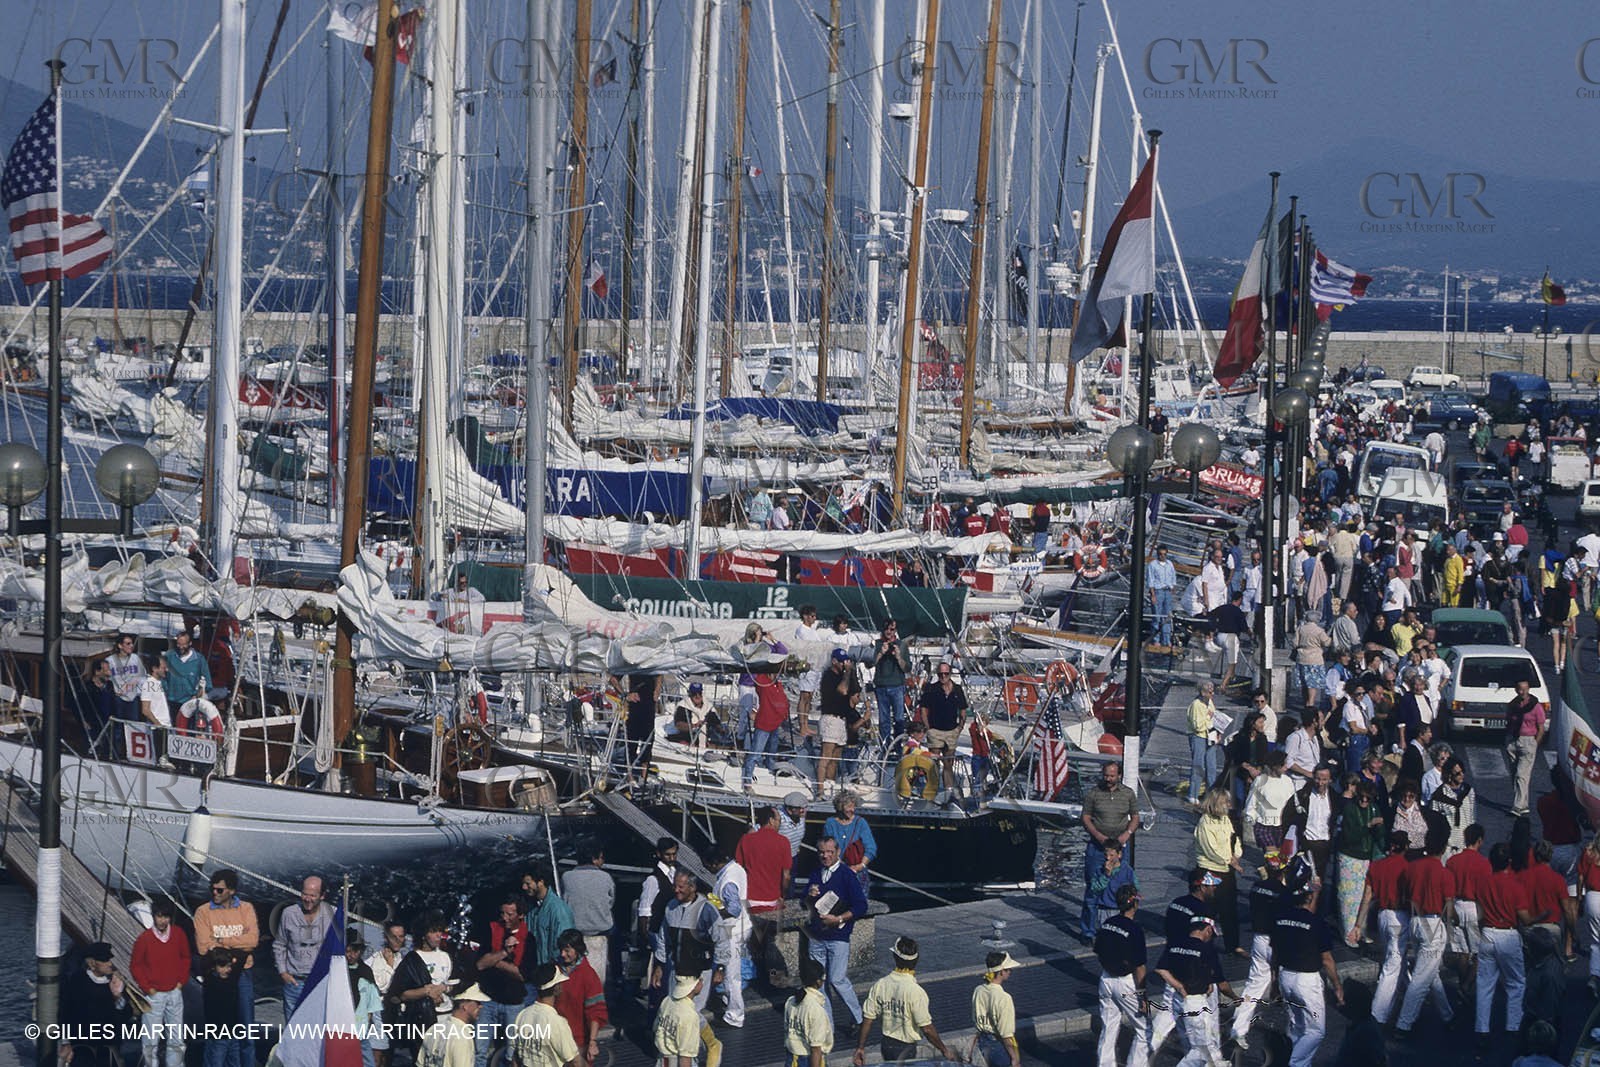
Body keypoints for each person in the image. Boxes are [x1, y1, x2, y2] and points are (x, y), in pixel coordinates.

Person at [1273, 854, 1345, 1067]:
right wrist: (1337, 986)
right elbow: (1327, 959)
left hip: (1285, 977)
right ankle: (1294, 1063)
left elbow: (1274, 954)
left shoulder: (1280, 919)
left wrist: (1275, 980)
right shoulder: (1316, 923)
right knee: (1315, 1031)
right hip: (1307, 982)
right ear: (1309, 897)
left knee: (1296, 1027)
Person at [1396, 815, 1456, 1036]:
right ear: (1443, 847)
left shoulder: (1411, 868)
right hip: (1433, 923)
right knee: (1421, 979)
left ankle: (1448, 1015)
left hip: (1414, 922)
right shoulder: (1444, 873)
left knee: (1431, 973)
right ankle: (1404, 1023)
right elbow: (1448, 909)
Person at [193, 868, 260, 1064]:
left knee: (246, 1030)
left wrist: (221, 940)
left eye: (220, 890)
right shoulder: (203, 912)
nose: (215, 893)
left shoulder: (246, 909)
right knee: (217, 1031)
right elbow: (204, 947)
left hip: (243, 974)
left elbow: (253, 941)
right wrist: (239, 945)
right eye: (212, 889)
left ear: (231, 891)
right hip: (217, 976)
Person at [1152, 915, 1238, 1066]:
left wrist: (1178, 986)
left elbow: (1161, 969)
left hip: (1178, 999)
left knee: (1196, 1045)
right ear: (1207, 929)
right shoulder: (1206, 950)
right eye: (1211, 933)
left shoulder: (1175, 944)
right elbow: (1222, 985)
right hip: (1196, 1002)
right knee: (1203, 1049)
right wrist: (1235, 998)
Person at [853, 937, 950, 1064]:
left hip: (886, 1045)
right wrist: (944, 1049)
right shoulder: (916, 992)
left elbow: (868, 1018)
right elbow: (927, 1029)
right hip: (906, 1049)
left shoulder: (881, 984)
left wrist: (860, 1047)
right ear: (916, 960)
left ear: (894, 957)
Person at [807, 836, 868, 1036]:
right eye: (822, 852)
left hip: (838, 936)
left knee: (837, 979)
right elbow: (805, 902)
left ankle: (859, 1018)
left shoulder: (846, 875)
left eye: (829, 852)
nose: (825, 855)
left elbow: (861, 905)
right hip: (816, 936)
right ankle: (828, 1026)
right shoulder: (816, 872)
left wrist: (839, 918)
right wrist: (809, 893)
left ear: (838, 852)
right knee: (820, 981)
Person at [1350, 831, 1412, 1023]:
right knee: (1392, 966)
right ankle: (1378, 1014)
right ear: (1406, 847)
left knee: (1394, 957)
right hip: (1399, 917)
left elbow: (1367, 897)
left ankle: (1407, 993)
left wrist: (1358, 925)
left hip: (1381, 917)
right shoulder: (1407, 868)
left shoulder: (1376, 866)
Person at [1231, 851, 1287, 1050]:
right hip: (1276, 942)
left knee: (1253, 985)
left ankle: (1238, 1027)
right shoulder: (1282, 892)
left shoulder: (1256, 888)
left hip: (1258, 940)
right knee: (1290, 988)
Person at [1476, 842, 1531, 1039]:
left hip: (1488, 933)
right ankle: (1513, 1026)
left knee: (1484, 984)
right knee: (1516, 983)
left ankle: (1482, 1029)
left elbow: (1479, 914)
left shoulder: (1483, 883)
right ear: (1509, 862)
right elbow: (1524, 918)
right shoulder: (1516, 885)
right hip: (1508, 934)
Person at [1080, 760, 1140, 938]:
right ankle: (1088, 932)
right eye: (1106, 775)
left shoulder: (1128, 794)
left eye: (1112, 776)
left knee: (1122, 887)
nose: (1108, 779)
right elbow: (1086, 817)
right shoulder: (1094, 793)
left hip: (1120, 848)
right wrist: (1098, 836)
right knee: (1093, 888)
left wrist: (1127, 834)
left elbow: (1135, 817)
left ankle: (1121, 926)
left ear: (1119, 775)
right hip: (1097, 848)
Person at [392, 912, 462, 1060]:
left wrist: (444, 988)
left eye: (440, 931)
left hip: (446, 1016)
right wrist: (426, 992)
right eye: (433, 931)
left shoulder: (446, 957)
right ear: (423, 934)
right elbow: (400, 995)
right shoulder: (411, 960)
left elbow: (457, 984)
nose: (438, 935)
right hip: (422, 1020)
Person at [1093, 884, 1149, 1067]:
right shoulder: (1135, 930)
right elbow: (1140, 967)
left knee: (1108, 1027)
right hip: (1126, 982)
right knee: (1144, 1029)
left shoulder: (1107, 924)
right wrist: (1142, 997)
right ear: (1135, 904)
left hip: (1106, 978)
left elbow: (1099, 952)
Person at [131, 898, 191, 1067]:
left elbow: (186, 958)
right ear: (153, 916)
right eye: (159, 916)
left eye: (166, 917)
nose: (163, 920)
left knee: (177, 1037)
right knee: (150, 1039)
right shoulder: (144, 939)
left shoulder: (178, 934)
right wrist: (147, 988)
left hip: (174, 992)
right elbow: (136, 965)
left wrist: (181, 982)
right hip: (154, 994)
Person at [473, 898, 529, 1067]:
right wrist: (504, 952)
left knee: (512, 1053)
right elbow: (481, 964)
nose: (505, 918)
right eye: (502, 913)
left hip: (514, 1003)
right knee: (479, 1051)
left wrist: (495, 961)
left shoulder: (529, 937)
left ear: (520, 915)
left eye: (510, 914)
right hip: (488, 1000)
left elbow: (522, 975)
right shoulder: (491, 930)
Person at [60, 942, 135, 1067]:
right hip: (82, 1043)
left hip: (108, 1044)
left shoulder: (116, 982)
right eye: (105, 960)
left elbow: (125, 1016)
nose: (109, 964)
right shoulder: (77, 980)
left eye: (110, 959)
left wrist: (117, 997)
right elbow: (66, 1012)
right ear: (92, 963)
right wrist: (65, 1041)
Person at [652, 870, 718, 1010]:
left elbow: (722, 941)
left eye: (681, 887)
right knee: (675, 1010)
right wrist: (659, 966)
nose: (676, 890)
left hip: (699, 972)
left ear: (692, 888)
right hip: (676, 970)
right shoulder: (671, 907)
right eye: (675, 886)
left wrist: (720, 968)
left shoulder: (707, 909)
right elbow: (663, 939)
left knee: (692, 1013)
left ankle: (701, 1033)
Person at [275, 875, 336, 1016]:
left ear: (322, 896)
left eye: (313, 895)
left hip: (320, 983)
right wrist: (283, 972)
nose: (307, 899)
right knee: (293, 1030)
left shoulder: (333, 914)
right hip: (294, 982)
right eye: (305, 894)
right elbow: (279, 944)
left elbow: (338, 949)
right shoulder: (288, 913)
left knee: (317, 1029)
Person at [1194, 788, 1245, 954]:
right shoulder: (1204, 822)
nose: (1229, 805)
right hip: (1210, 870)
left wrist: (1236, 854)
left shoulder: (1225, 819)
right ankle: (1204, 944)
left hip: (1227, 870)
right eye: (1225, 802)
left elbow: (1234, 839)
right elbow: (1211, 849)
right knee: (1209, 910)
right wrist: (1229, 860)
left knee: (1230, 910)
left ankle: (1233, 945)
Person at [1335, 780, 1387, 939]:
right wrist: (1369, 825)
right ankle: (1349, 934)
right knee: (1349, 898)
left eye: (1368, 798)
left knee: (1364, 897)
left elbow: (1380, 836)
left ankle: (1359, 932)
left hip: (1366, 858)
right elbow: (1350, 837)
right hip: (1349, 856)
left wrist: (1379, 828)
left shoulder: (1374, 808)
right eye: (1362, 797)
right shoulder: (1350, 809)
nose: (1364, 800)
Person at [708, 843, 750, 1028]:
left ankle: (735, 1016)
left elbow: (733, 909)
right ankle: (728, 1002)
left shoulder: (727, 881)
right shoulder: (736, 868)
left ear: (715, 863)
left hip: (732, 929)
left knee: (731, 975)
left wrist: (714, 908)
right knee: (729, 971)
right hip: (742, 926)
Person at [552, 930, 606, 1067]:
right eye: (561, 950)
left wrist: (592, 1042)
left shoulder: (588, 976)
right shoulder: (555, 969)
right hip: (555, 1038)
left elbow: (596, 1012)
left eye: (567, 950)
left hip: (578, 1041)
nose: (563, 954)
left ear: (578, 950)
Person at [562, 847, 615, 985]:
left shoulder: (566, 877)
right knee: (596, 984)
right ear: (595, 859)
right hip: (598, 938)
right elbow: (610, 902)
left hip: (572, 938)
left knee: (573, 984)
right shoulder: (606, 877)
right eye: (601, 858)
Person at [510, 963, 580, 1067]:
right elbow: (575, 1061)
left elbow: (515, 1058)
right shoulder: (556, 1022)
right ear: (557, 988)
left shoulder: (522, 1015)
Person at [915, 662, 968, 792]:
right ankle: (932, 792)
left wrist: (959, 728)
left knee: (948, 764)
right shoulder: (931, 688)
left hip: (951, 731)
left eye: (946, 674)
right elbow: (923, 709)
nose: (943, 677)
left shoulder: (957, 689)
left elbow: (963, 710)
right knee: (933, 764)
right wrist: (928, 729)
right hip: (935, 731)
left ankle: (947, 793)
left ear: (950, 674)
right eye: (940, 674)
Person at [817, 649, 862, 797]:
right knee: (826, 756)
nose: (844, 664)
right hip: (830, 718)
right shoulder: (829, 676)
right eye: (842, 661)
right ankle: (820, 789)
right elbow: (842, 690)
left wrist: (851, 672)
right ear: (834, 661)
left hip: (841, 720)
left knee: (835, 758)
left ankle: (830, 784)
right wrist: (847, 673)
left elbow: (855, 695)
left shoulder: (845, 676)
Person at [655, 971, 719, 1067]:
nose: (702, 982)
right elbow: (685, 1056)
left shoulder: (667, 1001)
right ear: (694, 987)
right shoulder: (690, 1016)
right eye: (699, 980)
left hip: (664, 1060)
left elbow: (656, 1027)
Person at [419, 983, 491, 1067]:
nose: (481, 1006)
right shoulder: (462, 1038)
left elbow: (420, 1063)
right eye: (477, 1003)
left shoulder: (434, 1029)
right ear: (465, 1006)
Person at [1505, 678, 1546, 818]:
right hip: (1513, 740)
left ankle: (1517, 806)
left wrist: (1535, 743)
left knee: (1521, 774)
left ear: (1529, 689)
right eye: (1520, 689)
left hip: (1528, 741)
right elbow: (1508, 720)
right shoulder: (1513, 705)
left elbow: (1541, 727)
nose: (1523, 692)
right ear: (1516, 690)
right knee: (1515, 774)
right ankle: (1524, 804)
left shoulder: (1535, 706)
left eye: (1525, 689)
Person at [971, 952, 1021, 1067]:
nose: (1010, 972)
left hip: (982, 1041)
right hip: (999, 1046)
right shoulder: (1004, 998)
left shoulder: (978, 990)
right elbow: (1006, 1035)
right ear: (1001, 972)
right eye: (1008, 969)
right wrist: (1015, 1059)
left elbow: (975, 1017)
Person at [823, 791, 877, 897]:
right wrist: (839, 865)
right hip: (836, 869)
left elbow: (871, 848)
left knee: (858, 903)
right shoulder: (830, 823)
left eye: (853, 807)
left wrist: (861, 865)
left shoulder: (861, 822)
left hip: (857, 870)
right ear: (840, 807)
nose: (852, 810)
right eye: (848, 807)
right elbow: (828, 847)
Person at [522, 864, 577, 968]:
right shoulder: (531, 909)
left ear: (541, 882)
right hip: (537, 971)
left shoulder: (558, 910)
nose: (524, 887)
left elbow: (566, 945)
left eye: (528, 883)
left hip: (553, 971)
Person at [1243, 750, 1297, 854]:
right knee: (1273, 858)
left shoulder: (1288, 781)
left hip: (1282, 826)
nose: (1287, 767)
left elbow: (1292, 804)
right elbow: (1251, 803)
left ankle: (1265, 869)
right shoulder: (1260, 781)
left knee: (1281, 859)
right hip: (1263, 825)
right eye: (1284, 765)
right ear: (1275, 766)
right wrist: (1252, 820)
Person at [784, 958, 834, 1067]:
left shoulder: (791, 1001)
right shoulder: (816, 1010)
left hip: (792, 1056)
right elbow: (816, 1049)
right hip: (809, 1059)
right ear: (818, 981)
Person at [1084, 839, 1139, 933]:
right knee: (1107, 934)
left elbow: (1135, 887)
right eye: (1106, 855)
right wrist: (1106, 875)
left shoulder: (1127, 870)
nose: (1108, 858)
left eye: (1111, 855)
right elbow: (1094, 888)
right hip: (1104, 908)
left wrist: (1130, 902)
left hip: (1121, 909)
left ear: (1119, 854)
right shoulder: (1099, 870)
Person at [201, 947, 245, 1067]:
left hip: (233, 1032)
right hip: (218, 1034)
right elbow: (204, 960)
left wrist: (226, 950)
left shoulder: (232, 978)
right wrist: (215, 952)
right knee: (216, 1062)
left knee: (234, 1063)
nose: (227, 969)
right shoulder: (210, 982)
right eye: (223, 966)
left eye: (229, 966)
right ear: (214, 966)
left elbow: (241, 954)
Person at [871, 621, 910, 742]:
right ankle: (885, 746)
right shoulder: (876, 644)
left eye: (892, 629)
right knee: (883, 720)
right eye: (886, 629)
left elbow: (907, 668)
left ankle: (897, 746)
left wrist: (898, 657)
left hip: (897, 686)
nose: (889, 632)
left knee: (899, 719)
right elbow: (870, 664)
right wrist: (881, 653)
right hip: (881, 686)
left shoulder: (902, 645)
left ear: (895, 631)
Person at [1429, 758, 1476, 856]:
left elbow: (1472, 816)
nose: (1462, 775)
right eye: (1458, 773)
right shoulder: (1439, 796)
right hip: (1447, 847)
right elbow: (1434, 823)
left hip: (1465, 845)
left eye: (1463, 771)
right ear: (1449, 775)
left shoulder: (1468, 791)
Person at [1185, 680, 1221, 806]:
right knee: (1198, 765)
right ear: (1203, 692)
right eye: (1210, 692)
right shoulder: (1196, 705)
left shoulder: (1210, 702)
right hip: (1198, 737)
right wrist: (1209, 719)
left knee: (1211, 767)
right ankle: (1192, 794)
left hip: (1210, 735)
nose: (1212, 694)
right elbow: (1197, 726)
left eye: (1212, 691)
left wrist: (1218, 731)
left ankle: (1211, 795)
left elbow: (1214, 716)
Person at [624, 671, 663, 782]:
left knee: (648, 744)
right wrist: (625, 695)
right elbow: (613, 678)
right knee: (631, 744)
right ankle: (630, 776)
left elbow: (659, 673)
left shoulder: (652, 666)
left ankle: (643, 777)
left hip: (649, 708)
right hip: (635, 709)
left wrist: (657, 690)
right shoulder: (632, 665)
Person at [163, 628, 213, 704]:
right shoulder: (169, 656)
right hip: (170, 701)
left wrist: (197, 695)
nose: (180, 647)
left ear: (190, 643)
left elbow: (208, 683)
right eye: (178, 644)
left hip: (190, 702)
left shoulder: (199, 660)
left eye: (184, 645)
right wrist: (165, 691)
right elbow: (161, 676)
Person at [1148, 545, 1178, 648]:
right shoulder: (1152, 565)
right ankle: (1156, 639)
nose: (1163, 556)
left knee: (1167, 617)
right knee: (1156, 617)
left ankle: (1166, 640)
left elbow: (1173, 577)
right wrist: (1153, 595)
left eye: (1164, 554)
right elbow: (1150, 581)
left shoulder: (1170, 564)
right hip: (1158, 591)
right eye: (1160, 554)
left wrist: (1173, 589)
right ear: (1157, 554)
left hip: (1168, 591)